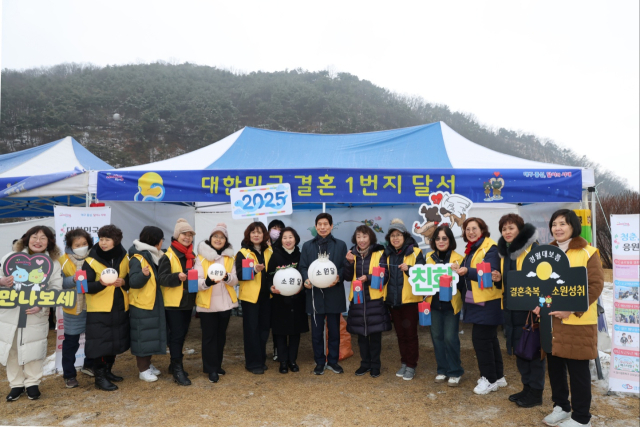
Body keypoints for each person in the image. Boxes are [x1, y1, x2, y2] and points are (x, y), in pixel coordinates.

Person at [537, 209, 603, 427]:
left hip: (578, 321)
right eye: (554, 224)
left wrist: (571, 309)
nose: (558, 228)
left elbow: (595, 286)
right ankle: (561, 407)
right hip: (552, 321)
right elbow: (543, 285)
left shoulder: (588, 252)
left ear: (573, 226)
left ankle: (582, 417)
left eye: (563, 223)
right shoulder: (547, 253)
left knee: (578, 370)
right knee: (555, 366)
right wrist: (540, 306)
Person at [1, 226, 63, 401]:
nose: (38, 241)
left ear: (49, 242)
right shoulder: (10, 257)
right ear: (27, 239)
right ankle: (16, 384)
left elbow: (56, 288)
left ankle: (32, 383)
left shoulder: (53, 262)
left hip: (35, 314)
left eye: (43, 238)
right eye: (34, 237)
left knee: (34, 347)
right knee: (13, 349)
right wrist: (2, 281)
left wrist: (41, 305)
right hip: (11, 312)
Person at [493, 214, 544, 407]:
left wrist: (540, 305)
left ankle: (536, 393)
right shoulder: (505, 254)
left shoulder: (535, 250)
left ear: (520, 230)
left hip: (531, 311)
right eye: (504, 229)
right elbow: (508, 284)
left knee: (534, 352)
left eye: (511, 228)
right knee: (520, 350)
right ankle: (527, 388)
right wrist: (499, 280)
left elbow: (545, 281)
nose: (507, 232)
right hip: (511, 310)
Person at [451, 217, 504, 395]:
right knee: (490, 340)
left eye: (474, 228)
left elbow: (489, 271)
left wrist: (467, 271)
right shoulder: (471, 250)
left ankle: (488, 379)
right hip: (477, 301)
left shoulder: (490, 248)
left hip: (488, 302)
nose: (471, 232)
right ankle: (498, 376)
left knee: (481, 341)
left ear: (482, 229)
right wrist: (458, 270)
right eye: (467, 229)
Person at [82, 225, 130, 392]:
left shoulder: (125, 257)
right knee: (100, 344)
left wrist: (124, 282)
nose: (103, 243)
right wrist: (100, 284)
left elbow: (131, 279)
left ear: (115, 241)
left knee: (114, 341)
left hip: (119, 305)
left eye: (107, 240)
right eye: (101, 239)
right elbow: (82, 286)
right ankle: (99, 377)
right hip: (99, 309)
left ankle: (108, 371)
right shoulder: (89, 260)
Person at [299, 213, 348, 375]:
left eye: (326, 224)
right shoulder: (307, 246)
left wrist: (339, 276)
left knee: (334, 331)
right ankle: (319, 361)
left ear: (331, 226)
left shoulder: (340, 245)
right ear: (315, 226)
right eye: (319, 224)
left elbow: (344, 266)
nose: (322, 227)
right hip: (314, 295)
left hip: (334, 293)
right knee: (317, 332)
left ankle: (333, 361)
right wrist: (306, 279)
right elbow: (303, 267)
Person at [158, 218, 205, 386]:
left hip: (188, 301)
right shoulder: (168, 255)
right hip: (173, 303)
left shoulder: (191, 255)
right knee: (177, 336)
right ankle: (177, 369)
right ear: (177, 236)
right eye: (184, 234)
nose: (187, 237)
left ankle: (173, 364)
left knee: (182, 333)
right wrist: (177, 277)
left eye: (190, 235)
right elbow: (161, 278)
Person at [379, 218, 425, 381]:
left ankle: (412, 365)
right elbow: (383, 276)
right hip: (393, 301)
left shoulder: (416, 253)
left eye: (398, 235)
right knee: (400, 334)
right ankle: (404, 362)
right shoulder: (387, 254)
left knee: (411, 334)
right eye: (392, 235)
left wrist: (410, 269)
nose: (395, 238)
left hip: (410, 301)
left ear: (405, 236)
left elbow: (423, 277)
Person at [343, 225, 390, 378]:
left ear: (370, 237)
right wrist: (349, 263)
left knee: (375, 335)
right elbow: (347, 276)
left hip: (375, 299)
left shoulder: (379, 253)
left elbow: (385, 275)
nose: (361, 240)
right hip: (357, 300)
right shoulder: (351, 254)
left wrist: (368, 278)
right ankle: (365, 364)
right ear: (355, 238)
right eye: (358, 237)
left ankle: (376, 365)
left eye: (364, 236)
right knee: (361, 335)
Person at [196, 223, 239, 383]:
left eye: (222, 237)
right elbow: (197, 281)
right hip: (207, 303)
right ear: (210, 238)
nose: (218, 239)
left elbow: (235, 279)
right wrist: (207, 282)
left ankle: (217, 364)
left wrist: (228, 278)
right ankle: (210, 368)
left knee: (221, 336)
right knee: (209, 337)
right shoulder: (200, 257)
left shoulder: (229, 258)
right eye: (216, 236)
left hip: (225, 303)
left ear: (226, 240)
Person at [425, 225, 465, 386]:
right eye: (438, 238)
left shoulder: (459, 258)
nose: (441, 241)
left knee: (450, 338)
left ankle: (455, 371)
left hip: (451, 306)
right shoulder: (428, 257)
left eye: (444, 238)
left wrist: (459, 272)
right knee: (437, 338)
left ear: (450, 240)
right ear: (434, 241)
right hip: (433, 305)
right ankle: (442, 369)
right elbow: (420, 278)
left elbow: (463, 284)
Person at [128, 226, 167, 383]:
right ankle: (142, 370)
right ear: (156, 241)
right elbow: (133, 282)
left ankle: (148, 365)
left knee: (151, 335)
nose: (162, 242)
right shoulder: (138, 258)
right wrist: (144, 276)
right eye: (161, 239)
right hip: (142, 304)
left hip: (153, 301)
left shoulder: (155, 255)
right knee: (142, 336)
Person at [267, 227, 309, 374]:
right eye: (284, 237)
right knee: (280, 332)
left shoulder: (301, 255)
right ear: (281, 240)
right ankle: (283, 361)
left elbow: (305, 274)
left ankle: (292, 360)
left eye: (290, 237)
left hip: (297, 299)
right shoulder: (275, 255)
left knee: (295, 331)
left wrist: (303, 287)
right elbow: (268, 276)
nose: (288, 240)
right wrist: (270, 288)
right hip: (279, 301)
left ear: (295, 239)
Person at [59, 229, 95, 388]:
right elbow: (59, 284)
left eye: (84, 244)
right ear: (69, 245)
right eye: (77, 244)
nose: (81, 247)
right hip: (73, 307)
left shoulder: (95, 257)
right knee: (71, 343)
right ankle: (69, 374)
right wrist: (73, 279)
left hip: (93, 305)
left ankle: (89, 365)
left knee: (93, 340)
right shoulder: (63, 261)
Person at [235, 221, 273, 374]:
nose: (256, 235)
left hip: (267, 296)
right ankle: (252, 363)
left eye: (259, 232)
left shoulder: (269, 251)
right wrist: (254, 270)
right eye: (253, 232)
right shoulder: (243, 253)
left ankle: (261, 359)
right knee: (251, 330)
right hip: (250, 298)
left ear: (264, 235)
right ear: (248, 235)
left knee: (264, 329)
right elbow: (239, 276)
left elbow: (273, 273)